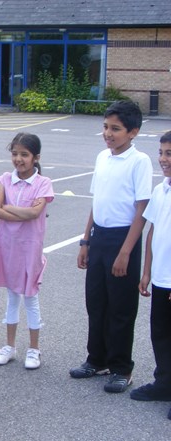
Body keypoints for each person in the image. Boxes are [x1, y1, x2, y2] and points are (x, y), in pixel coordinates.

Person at [71, 100, 152, 393]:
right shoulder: (102, 158)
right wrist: (85, 240)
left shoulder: (139, 161)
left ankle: (121, 367)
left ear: (133, 132)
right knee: (96, 302)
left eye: (115, 129)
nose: (108, 133)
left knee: (120, 307)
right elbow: (97, 202)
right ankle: (97, 359)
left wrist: (126, 252)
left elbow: (141, 210)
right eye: (106, 127)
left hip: (123, 239)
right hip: (100, 237)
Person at [0, 133, 54, 369]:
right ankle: (10, 346)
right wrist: (22, 211)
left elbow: (34, 214)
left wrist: (10, 208)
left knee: (30, 298)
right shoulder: (5, 179)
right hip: (7, 246)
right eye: (15, 154)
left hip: (30, 249)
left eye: (24, 154)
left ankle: (34, 349)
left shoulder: (43, 183)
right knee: (12, 297)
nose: (18, 159)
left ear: (36, 157)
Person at [131, 130, 171, 418]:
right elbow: (152, 232)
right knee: (160, 333)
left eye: (169, 154)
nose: (163, 159)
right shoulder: (162, 190)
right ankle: (164, 384)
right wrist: (146, 272)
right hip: (160, 278)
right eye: (162, 153)